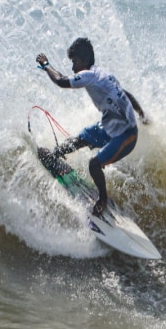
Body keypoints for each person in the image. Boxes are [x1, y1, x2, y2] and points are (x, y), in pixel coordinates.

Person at [36, 38, 147, 216]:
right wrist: (142, 114)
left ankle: (102, 199)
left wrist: (46, 65)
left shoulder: (90, 75)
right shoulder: (104, 74)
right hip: (109, 124)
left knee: (94, 165)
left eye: (75, 63)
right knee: (80, 140)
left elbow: (61, 81)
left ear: (85, 61)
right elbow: (125, 93)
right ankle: (56, 156)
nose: (73, 68)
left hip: (126, 135)